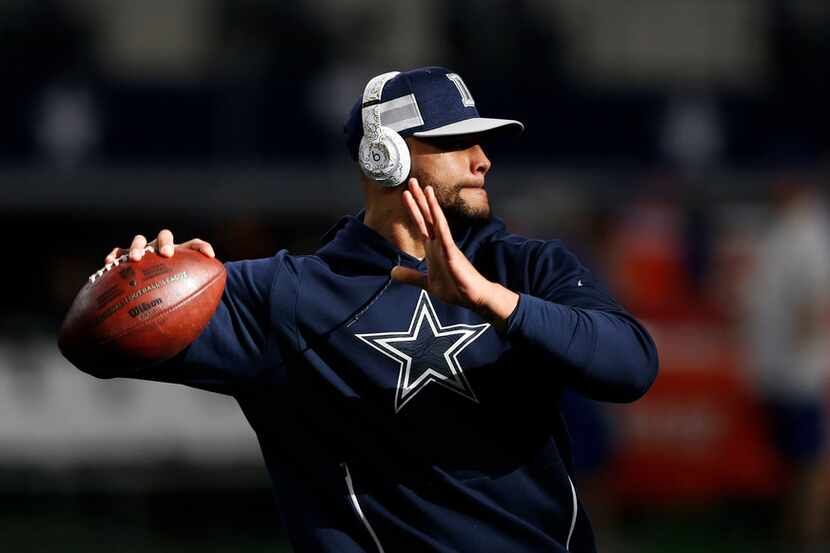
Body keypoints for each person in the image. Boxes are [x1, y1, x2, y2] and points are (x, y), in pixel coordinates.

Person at [85, 67, 658, 553]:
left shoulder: (529, 270)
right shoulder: (287, 294)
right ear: (383, 155)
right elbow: (91, 339)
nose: (483, 160)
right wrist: (135, 277)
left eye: (483, 141)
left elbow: (632, 366)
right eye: (457, 142)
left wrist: (491, 299)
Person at [744, 179, 830, 550]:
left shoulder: (810, 234)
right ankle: (793, 532)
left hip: (800, 371)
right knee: (793, 458)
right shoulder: (782, 230)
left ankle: (810, 537)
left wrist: (799, 347)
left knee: (810, 458)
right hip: (778, 368)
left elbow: (816, 297)